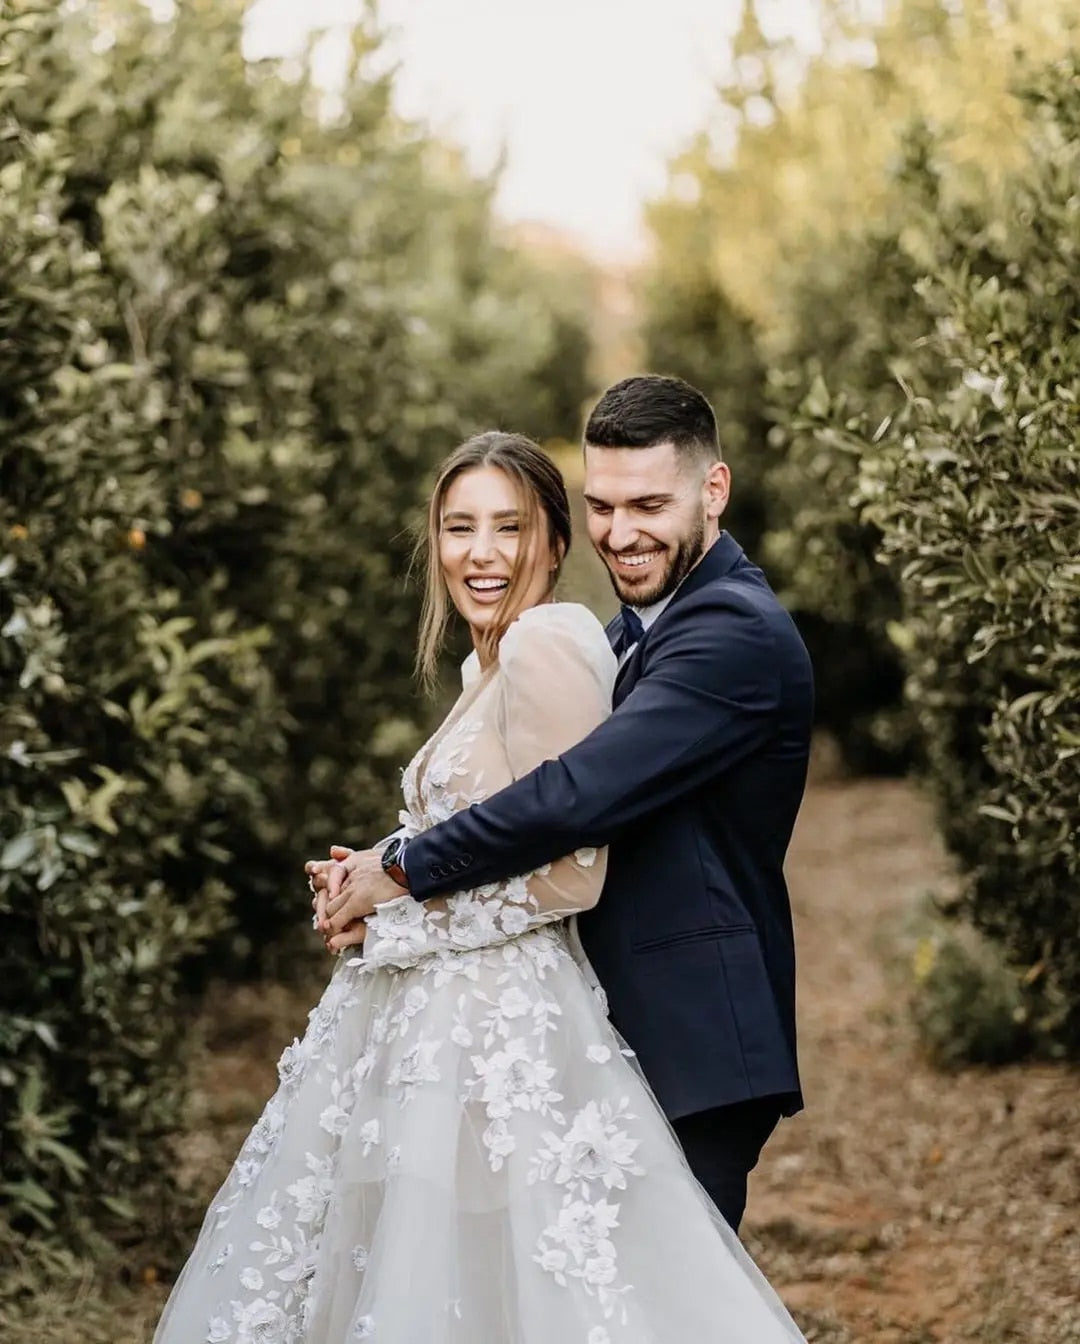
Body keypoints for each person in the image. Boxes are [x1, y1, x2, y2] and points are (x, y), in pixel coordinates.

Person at [155, 428, 805, 1343]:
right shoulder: (518, 655)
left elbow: (572, 840)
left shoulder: (563, 640)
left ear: (550, 542)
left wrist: (400, 895)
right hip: (459, 1034)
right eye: (460, 528)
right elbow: (508, 812)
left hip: (569, 1026)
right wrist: (373, 867)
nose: (483, 551)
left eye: (510, 526)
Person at [313, 375, 814, 1236]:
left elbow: (576, 795)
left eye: (650, 504)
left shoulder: (734, 632)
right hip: (605, 1024)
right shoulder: (630, 632)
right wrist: (381, 879)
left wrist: (400, 873)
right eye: (604, 507)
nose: (621, 535)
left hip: (689, 1032)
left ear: (714, 490)